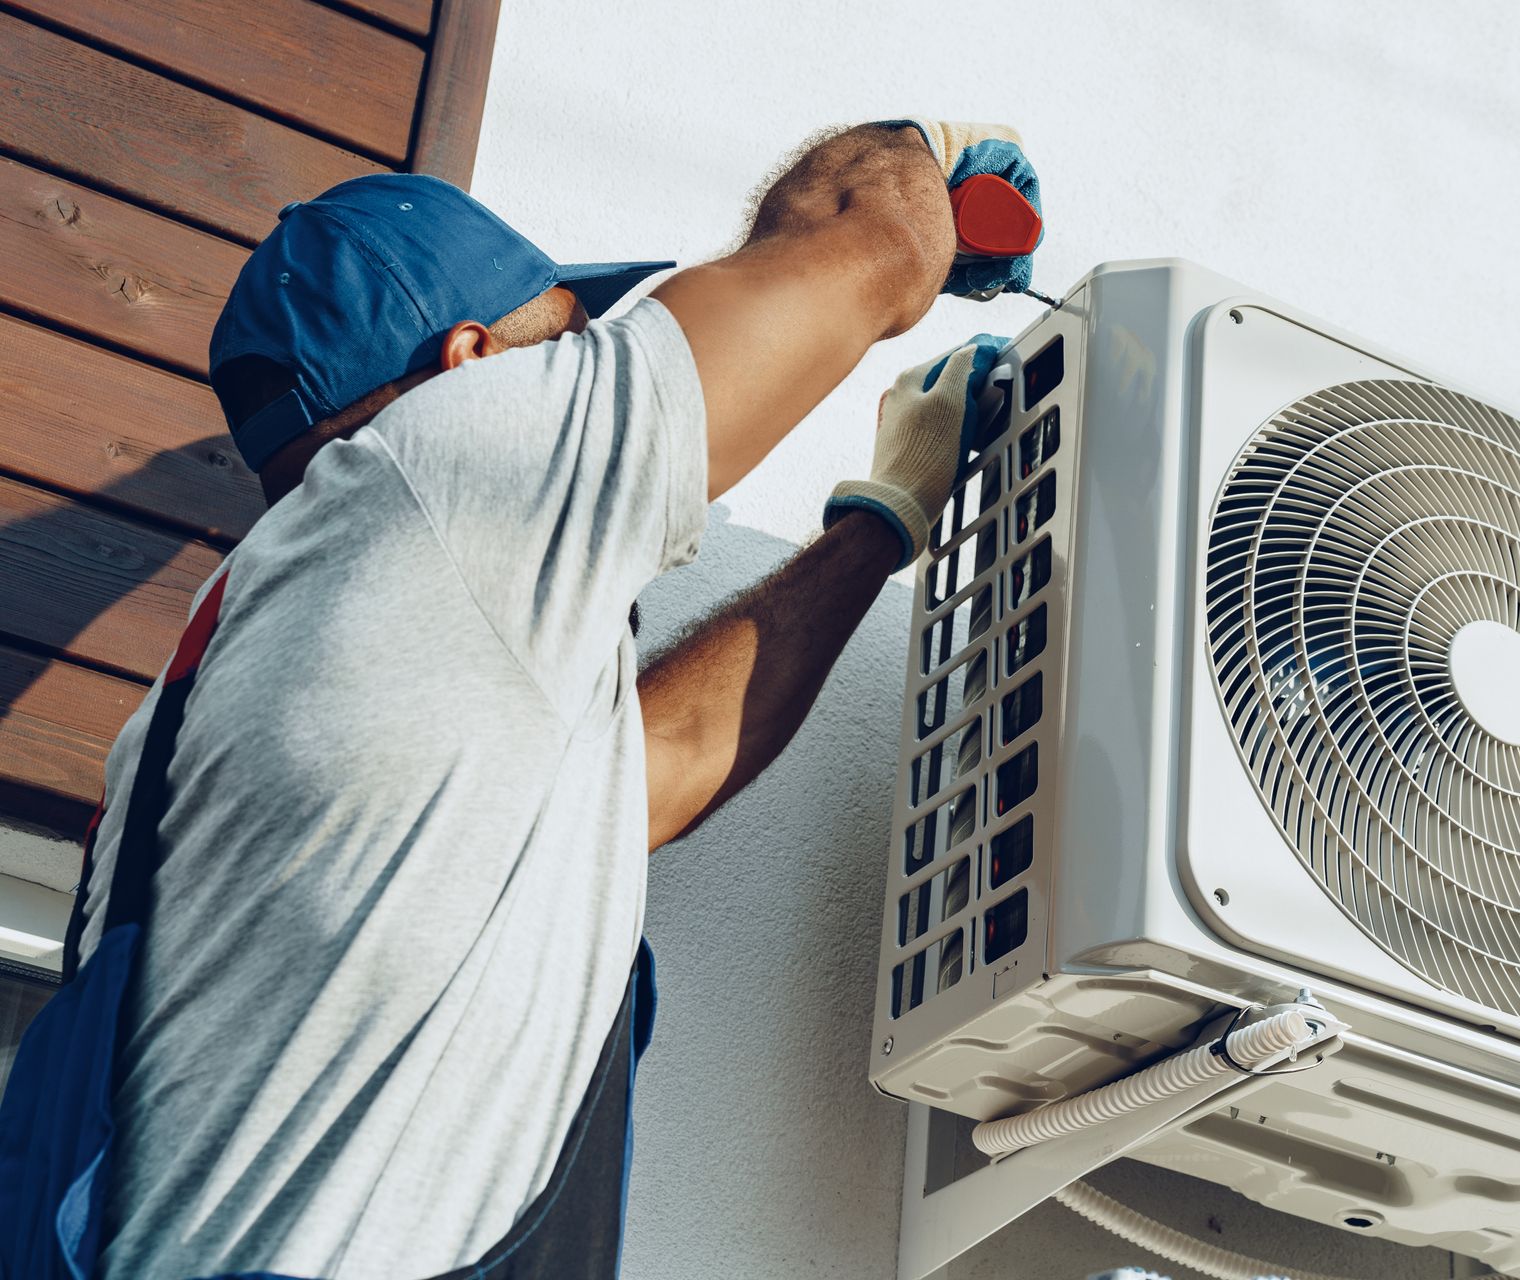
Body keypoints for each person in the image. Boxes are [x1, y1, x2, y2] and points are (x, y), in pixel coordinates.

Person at [0, 120, 1040, 1280]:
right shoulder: (433, 469)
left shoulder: (242, 676)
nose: (590, 351)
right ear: (467, 366)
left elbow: (646, 769)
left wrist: (881, 517)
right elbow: (873, 237)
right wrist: (929, 149)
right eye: (566, 337)